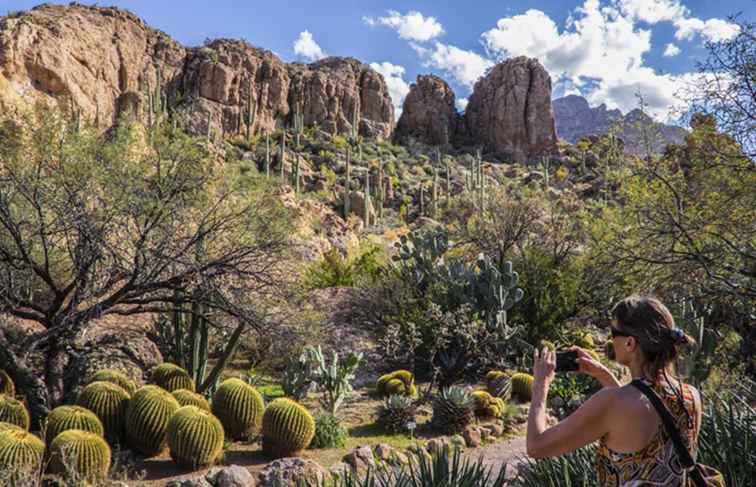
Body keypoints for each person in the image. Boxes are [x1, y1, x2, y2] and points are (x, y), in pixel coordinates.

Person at [526, 295, 702, 486]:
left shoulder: (613, 402)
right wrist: (603, 374)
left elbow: (537, 446)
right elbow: (641, 410)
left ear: (629, 343)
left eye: (613, 332)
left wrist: (540, 386)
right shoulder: (691, 396)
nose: (610, 338)